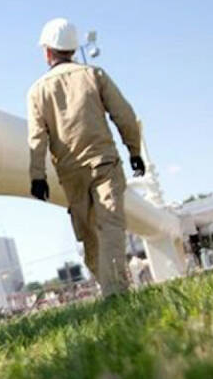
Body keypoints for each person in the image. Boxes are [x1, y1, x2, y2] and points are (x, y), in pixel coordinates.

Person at [27, 17, 145, 297]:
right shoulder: (95, 75)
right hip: (104, 165)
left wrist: (37, 176)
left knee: (89, 236)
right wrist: (134, 150)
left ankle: (112, 292)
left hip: (71, 175)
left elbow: (36, 138)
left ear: (47, 51)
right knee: (110, 227)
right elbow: (125, 115)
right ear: (72, 48)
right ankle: (115, 293)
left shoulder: (37, 91)